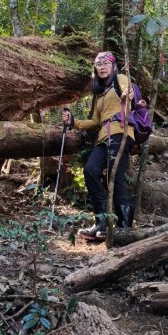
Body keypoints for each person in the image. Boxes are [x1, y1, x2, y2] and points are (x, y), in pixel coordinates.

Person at [62, 51, 135, 241]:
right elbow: (94, 120)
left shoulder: (120, 79)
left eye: (105, 63)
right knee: (91, 170)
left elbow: (129, 94)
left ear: (113, 65)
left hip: (121, 131)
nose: (101, 67)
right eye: (97, 64)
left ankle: (124, 226)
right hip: (103, 137)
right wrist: (73, 122)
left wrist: (128, 95)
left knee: (115, 175)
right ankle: (102, 222)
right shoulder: (99, 93)